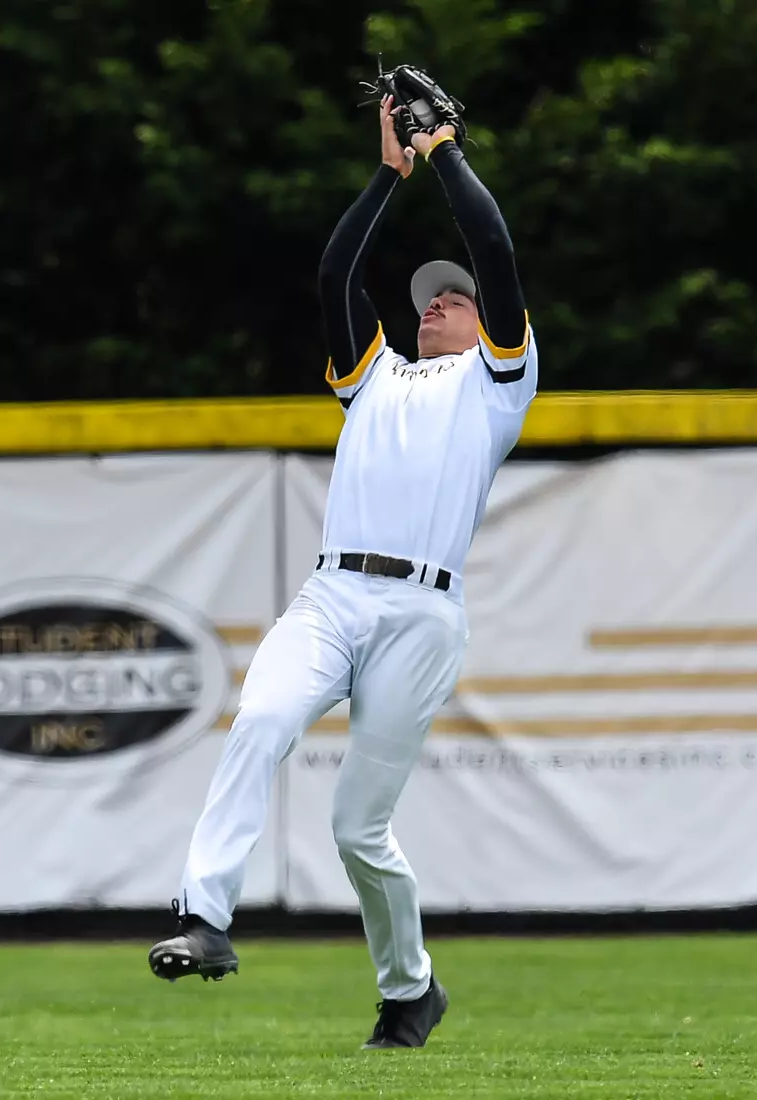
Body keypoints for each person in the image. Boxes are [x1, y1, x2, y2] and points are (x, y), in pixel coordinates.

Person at [148, 92, 538, 1051]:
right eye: (431, 297)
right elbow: (336, 271)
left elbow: (493, 249)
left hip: (421, 613)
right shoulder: (372, 375)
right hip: (333, 595)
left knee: (359, 830)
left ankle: (410, 993)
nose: (439, 301)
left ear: (487, 322)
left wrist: (442, 148)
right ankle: (207, 918)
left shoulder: (498, 381)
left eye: (455, 298)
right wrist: (389, 174)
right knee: (263, 720)